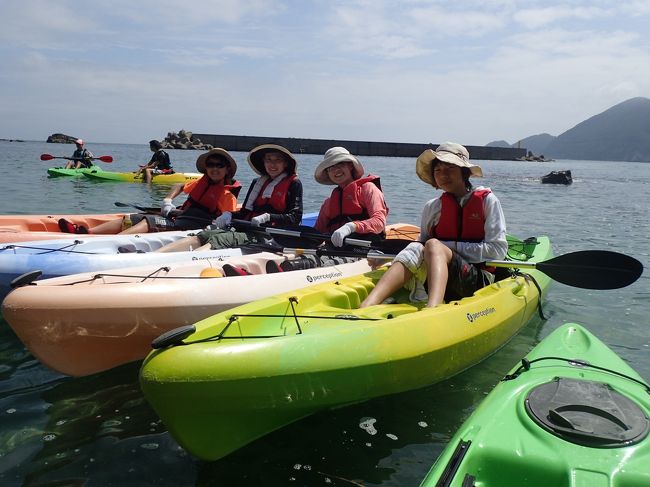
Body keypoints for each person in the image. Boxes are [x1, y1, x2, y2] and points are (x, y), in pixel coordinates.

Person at [359, 142, 507, 309]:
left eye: (450, 168)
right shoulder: (433, 207)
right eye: (438, 170)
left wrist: (443, 247)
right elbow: (422, 245)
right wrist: (386, 254)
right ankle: (367, 305)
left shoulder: (487, 201)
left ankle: (433, 308)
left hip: (477, 279)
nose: (443, 175)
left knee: (433, 245)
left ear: (464, 172)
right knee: (418, 247)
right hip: (440, 274)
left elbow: (497, 250)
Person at [156, 144, 303, 252]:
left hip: (270, 235)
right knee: (203, 235)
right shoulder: (257, 183)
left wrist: (267, 217)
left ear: (285, 163)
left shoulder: (294, 184)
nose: (272, 164)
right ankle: (155, 256)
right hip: (248, 228)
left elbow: (294, 217)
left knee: (218, 239)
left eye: (277, 160)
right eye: (269, 160)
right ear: (263, 162)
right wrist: (229, 215)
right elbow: (245, 212)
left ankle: (184, 262)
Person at [58, 148, 240, 235]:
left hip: (192, 226)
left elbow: (228, 216)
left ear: (227, 170)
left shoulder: (227, 194)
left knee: (148, 221)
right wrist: (168, 201)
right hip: (179, 217)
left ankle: (108, 242)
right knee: (131, 218)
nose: (214, 169)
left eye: (219, 166)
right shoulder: (203, 182)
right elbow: (179, 187)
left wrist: (223, 220)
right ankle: (86, 233)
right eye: (210, 165)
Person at [313, 146, 388, 247]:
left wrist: (351, 227)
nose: (336, 170)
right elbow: (317, 234)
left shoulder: (368, 189)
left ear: (350, 166)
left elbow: (379, 222)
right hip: (335, 249)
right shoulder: (328, 203)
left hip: (364, 250)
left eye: (340, 164)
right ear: (328, 173)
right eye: (331, 168)